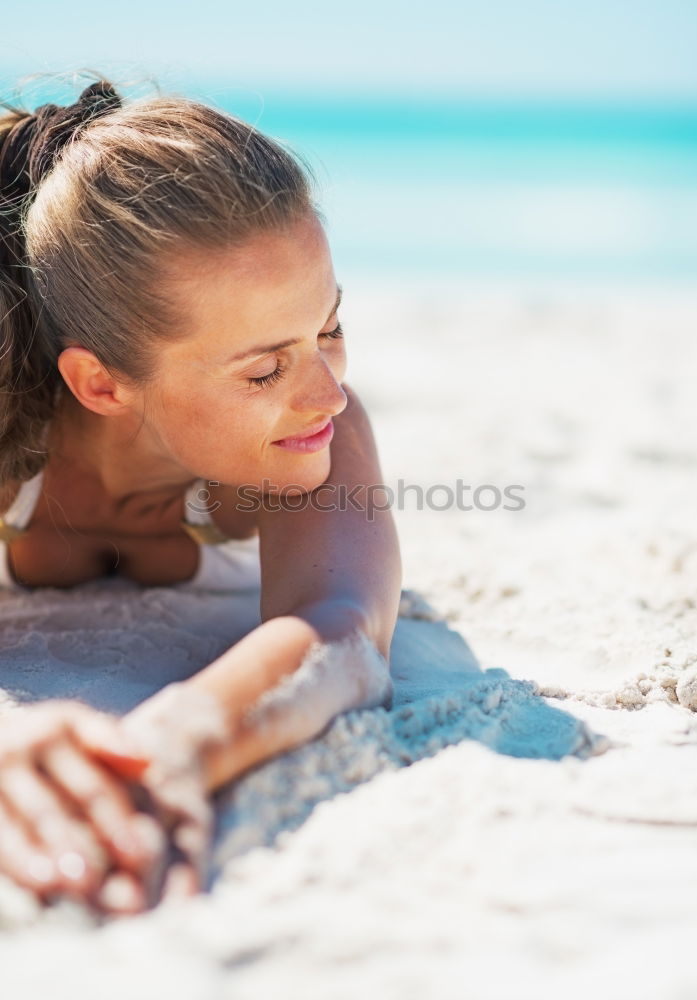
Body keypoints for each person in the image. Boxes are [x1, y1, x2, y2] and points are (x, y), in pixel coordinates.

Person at [0, 78, 402, 915]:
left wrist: (180, 738)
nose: (327, 392)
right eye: (263, 369)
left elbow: (345, 625)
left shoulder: (316, 432)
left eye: (328, 328)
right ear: (102, 384)